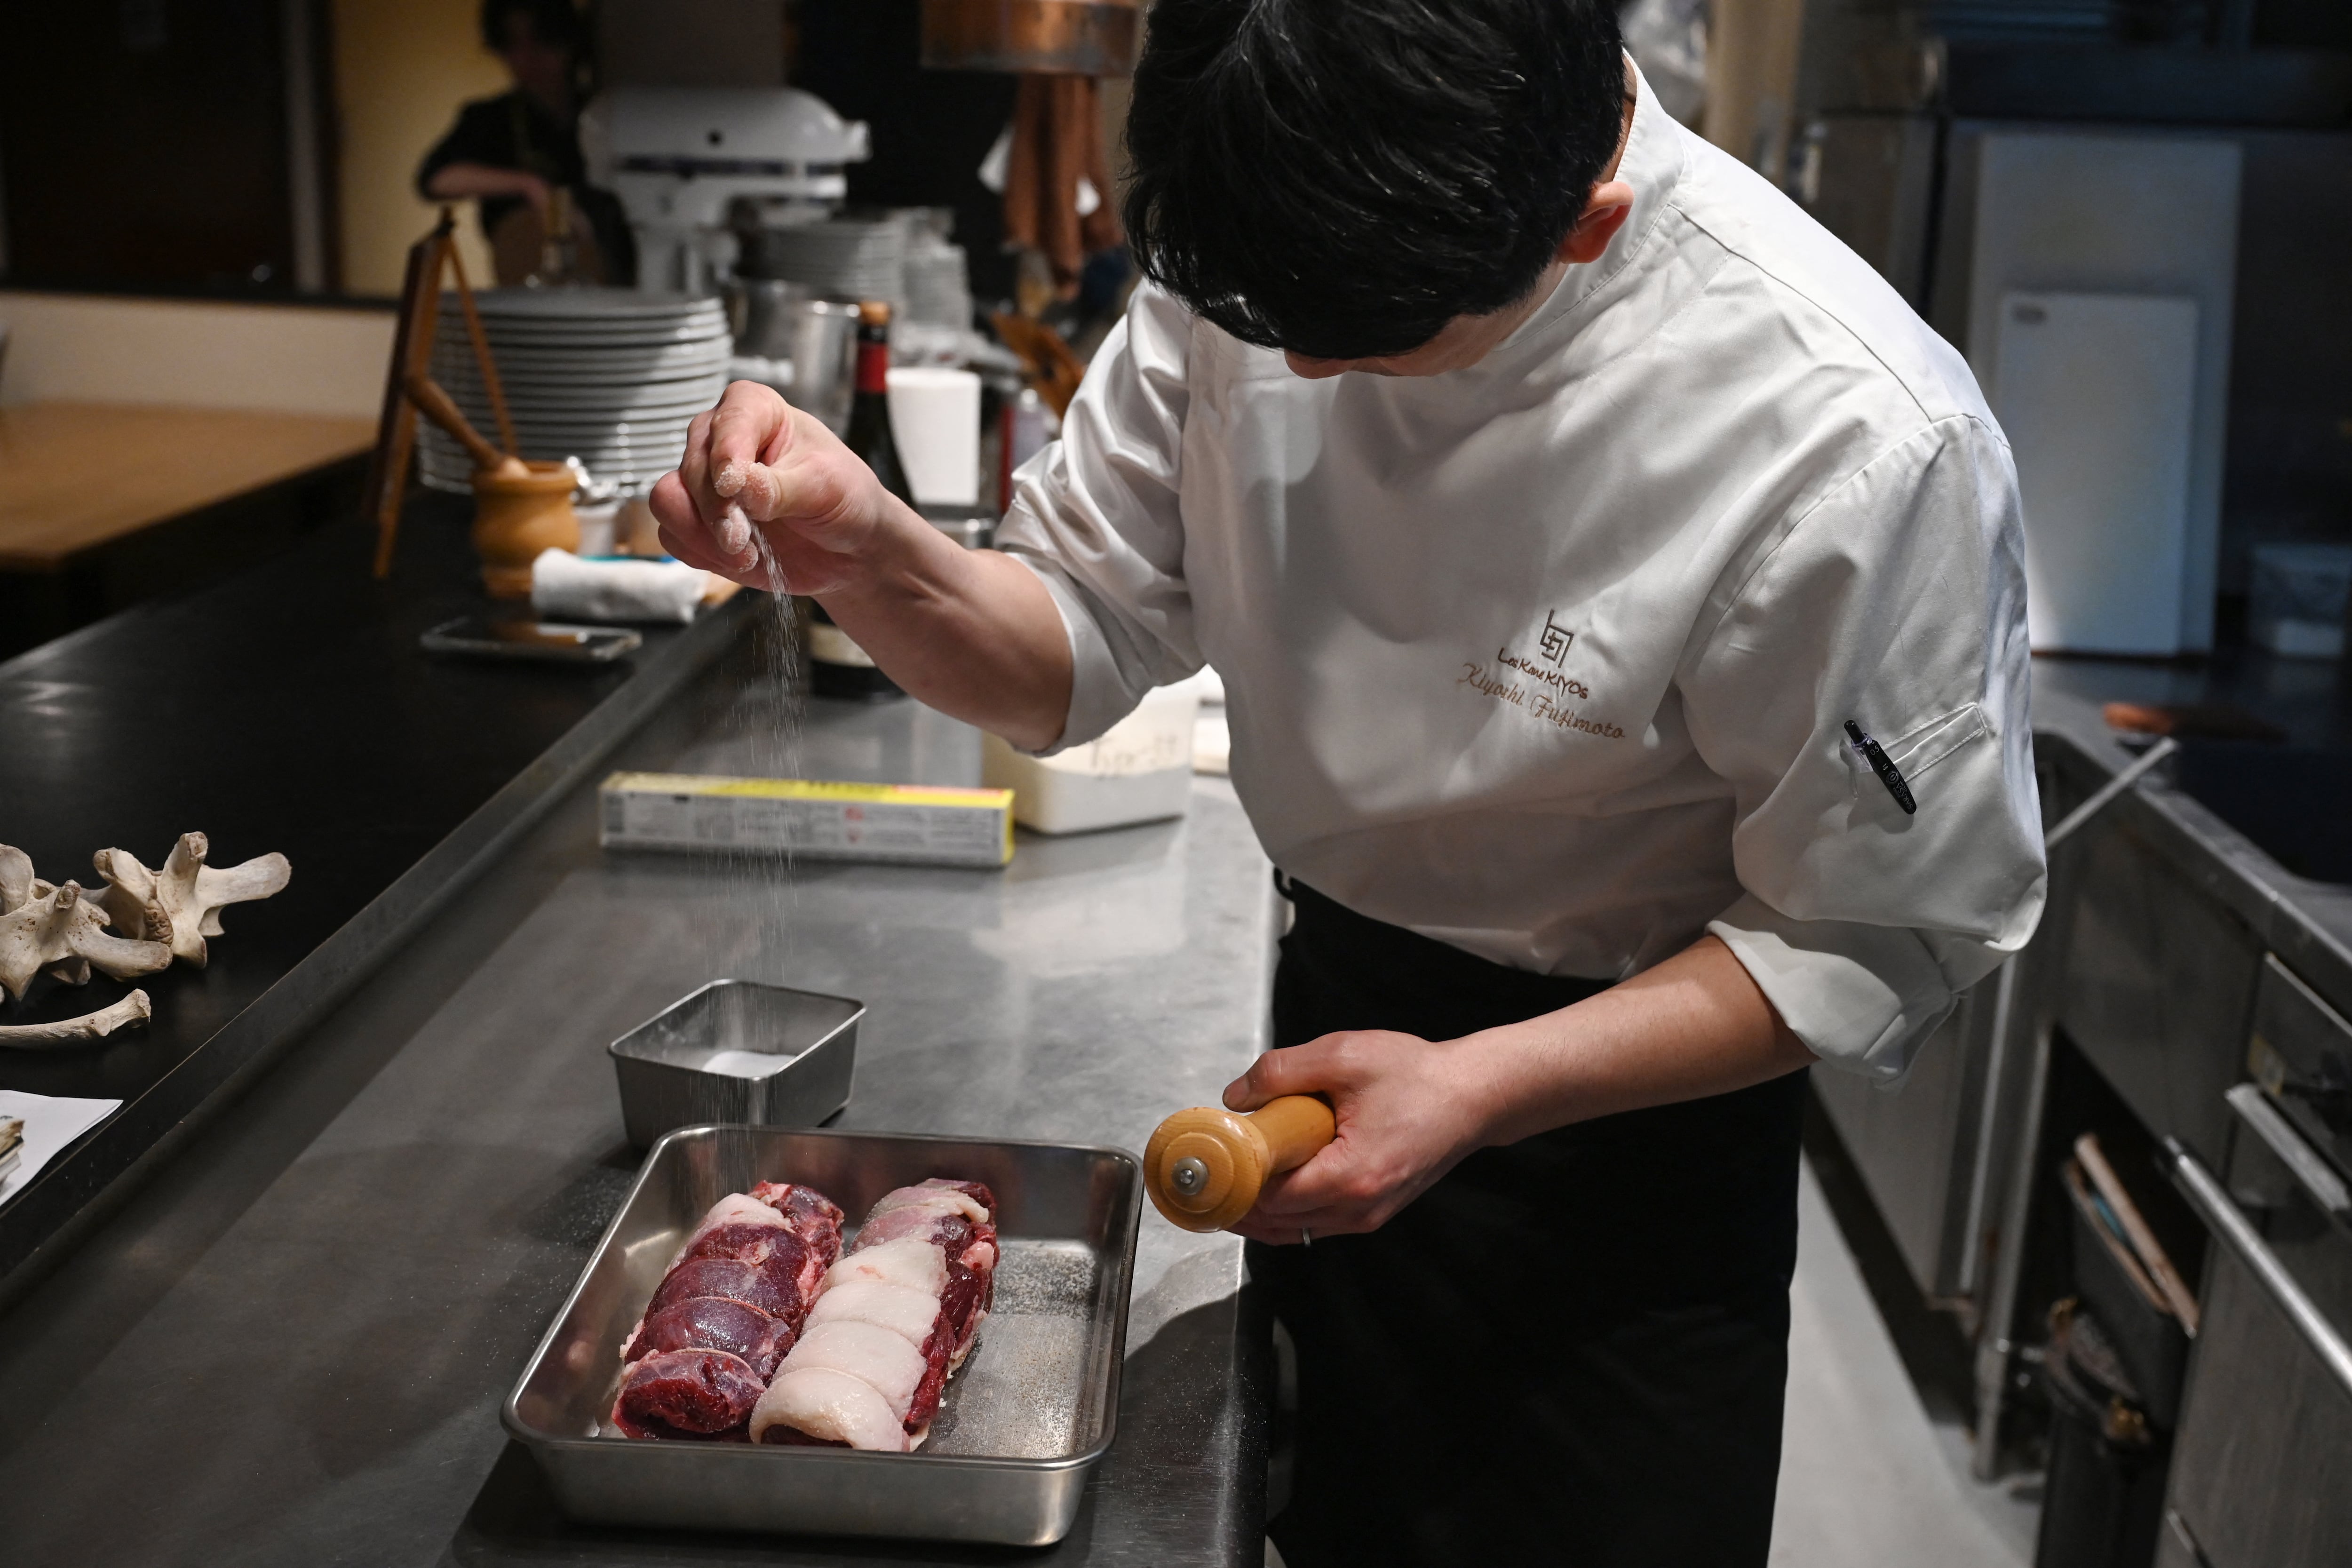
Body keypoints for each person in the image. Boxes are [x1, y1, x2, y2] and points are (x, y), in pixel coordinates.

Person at [652, 1, 2045, 1562]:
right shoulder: (1272, 218)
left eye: (1369, 339)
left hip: (1620, 1139)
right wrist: (874, 550)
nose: (1299, 364)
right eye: (1265, 321)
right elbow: (1072, 647)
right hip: (1316, 1046)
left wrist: (1485, 1086)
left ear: (1587, 224)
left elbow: (1867, 930)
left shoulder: (1852, 436)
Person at [416, 0, 634, 286]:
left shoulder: (607, 113)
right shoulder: (492, 118)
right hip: (527, 283)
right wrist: (527, 185)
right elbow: (435, 180)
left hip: (616, 280)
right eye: (513, 45)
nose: (527, 57)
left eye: (541, 42)